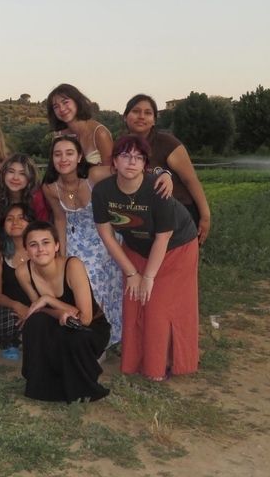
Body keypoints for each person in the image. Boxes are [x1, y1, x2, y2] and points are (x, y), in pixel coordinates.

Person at [92, 135, 200, 381]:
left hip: (176, 247)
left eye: (138, 157)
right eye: (125, 156)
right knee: (133, 301)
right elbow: (106, 234)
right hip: (136, 248)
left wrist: (148, 277)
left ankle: (161, 365)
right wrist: (131, 273)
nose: (132, 162)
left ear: (145, 164)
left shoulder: (157, 189)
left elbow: (163, 236)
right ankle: (135, 361)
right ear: (114, 162)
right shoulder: (103, 191)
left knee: (157, 306)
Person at [42, 135, 124, 348]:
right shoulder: (51, 187)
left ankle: (105, 336)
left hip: (104, 234)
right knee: (81, 281)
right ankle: (88, 336)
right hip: (75, 237)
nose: (63, 159)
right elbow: (60, 218)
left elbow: (127, 169)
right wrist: (61, 255)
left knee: (104, 282)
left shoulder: (94, 175)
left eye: (69, 153)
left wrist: (163, 174)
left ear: (79, 157)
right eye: (57, 154)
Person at [15, 221, 111, 402]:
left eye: (46, 243)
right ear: (26, 250)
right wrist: (59, 312)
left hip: (90, 328)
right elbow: (38, 310)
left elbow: (85, 318)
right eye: (33, 245)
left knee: (73, 335)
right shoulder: (23, 272)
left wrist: (48, 299)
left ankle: (82, 386)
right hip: (57, 321)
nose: (40, 249)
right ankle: (42, 386)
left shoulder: (73, 265)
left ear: (57, 245)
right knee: (35, 324)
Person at [123, 93, 211, 244]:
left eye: (148, 113)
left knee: (177, 265)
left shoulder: (166, 143)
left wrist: (205, 216)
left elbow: (190, 180)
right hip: (144, 217)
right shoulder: (122, 146)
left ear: (154, 121)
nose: (141, 116)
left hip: (178, 214)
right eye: (136, 111)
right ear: (125, 117)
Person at [0, 203, 34, 361]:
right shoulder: (0, 255)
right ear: (4, 226)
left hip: (38, 304)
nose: (15, 222)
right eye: (10, 219)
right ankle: (11, 344)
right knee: (7, 319)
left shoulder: (40, 250)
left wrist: (32, 309)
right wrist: (17, 306)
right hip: (11, 306)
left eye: (21, 218)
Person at [46, 83, 113, 167]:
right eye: (56, 106)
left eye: (65, 102)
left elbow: (110, 171)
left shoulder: (100, 133)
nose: (62, 109)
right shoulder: (58, 136)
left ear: (77, 102)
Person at [0, 153, 50, 224]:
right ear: (3, 174)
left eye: (22, 173)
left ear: (30, 177)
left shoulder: (37, 197)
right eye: (11, 171)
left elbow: (43, 226)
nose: (15, 178)